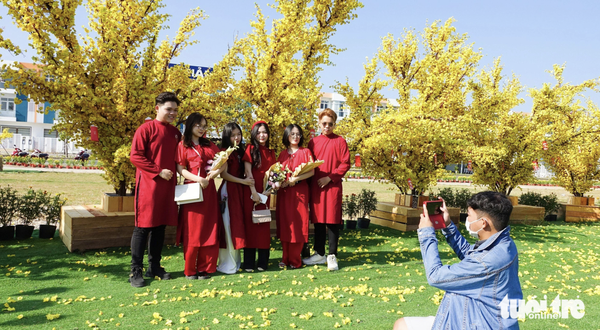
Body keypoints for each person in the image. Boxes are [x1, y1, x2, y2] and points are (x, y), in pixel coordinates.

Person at [393, 191, 523, 330]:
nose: (467, 219)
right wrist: (447, 225)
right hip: (474, 319)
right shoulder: (504, 244)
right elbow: (470, 255)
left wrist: (426, 233)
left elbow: (435, 276)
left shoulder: (487, 262)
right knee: (402, 325)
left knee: (402, 326)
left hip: (479, 324)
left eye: (468, 215)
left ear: (483, 223)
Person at [129, 91, 182, 287]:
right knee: (143, 228)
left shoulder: (176, 133)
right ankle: (136, 271)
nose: (172, 113)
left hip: (168, 188)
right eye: (169, 109)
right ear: (157, 108)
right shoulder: (145, 129)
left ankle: (155, 267)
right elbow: (135, 156)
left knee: (160, 227)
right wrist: (158, 171)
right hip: (149, 187)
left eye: (175, 110)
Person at [176, 113, 226, 280]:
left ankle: (206, 268)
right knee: (193, 230)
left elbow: (222, 163)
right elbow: (181, 169)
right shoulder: (183, 145)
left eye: (204, 126)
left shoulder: (209, 145)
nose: (202, 129)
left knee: (209, 227)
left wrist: (213, 174)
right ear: (190, 125)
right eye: (198, 125)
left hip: (208, 190)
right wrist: (198, 179)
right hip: (192, 190)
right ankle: (190, 269)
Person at [303, 108, 350, 271]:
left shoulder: (341, 141)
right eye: (324, 123)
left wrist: (330, 177)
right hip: (316, 187)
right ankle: (319, 253)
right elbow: (307, 163)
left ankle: (331, 255)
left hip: (332, 187)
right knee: (318, 221)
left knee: (332, 221)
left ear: (334, 124)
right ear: (319, 123)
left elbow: (345, 163)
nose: (327, 127)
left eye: (330, 124)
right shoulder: (313, 142)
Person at [216, 122, 254, 274]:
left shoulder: (240, 151)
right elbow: (223, 174)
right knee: (228, 226)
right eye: (233, 135)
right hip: (229, 190)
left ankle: (236, 261)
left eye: (238, 134)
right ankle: (228, 262)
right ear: (227, 136)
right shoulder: (225, 151)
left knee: (237, 225)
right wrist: (243, 181)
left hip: (239, 190)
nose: (236, 138)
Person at [276, 124, 314, 269]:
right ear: (287, 136)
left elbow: (311, 172)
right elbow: (277, 173)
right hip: (285, 193)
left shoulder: (306, 152)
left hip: (300, 193)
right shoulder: (282, 154)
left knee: (298, 224)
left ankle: (295, 260)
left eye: (298, 134)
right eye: (292, 134)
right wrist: (281, 182)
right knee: (286, 224)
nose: (295, 137)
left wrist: (295, 179)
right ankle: (285, 258)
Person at [242, 120, 276, 272]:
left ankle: (263, 262)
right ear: (254, 134)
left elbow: (274, 175)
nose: (262, 135)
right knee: (250, 226)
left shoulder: (271, 152)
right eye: (259, 132)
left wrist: (267, 192)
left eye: (265, 132)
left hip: (265, 194)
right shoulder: (249, 149)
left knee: (263, 226)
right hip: (251, 192)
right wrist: (254, 192)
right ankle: (248, 263)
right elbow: (248, 172)